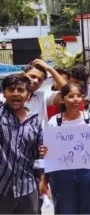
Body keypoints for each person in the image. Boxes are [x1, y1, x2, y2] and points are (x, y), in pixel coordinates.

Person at [41, 83, 90, 214]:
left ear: (84, 98)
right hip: (61, 173)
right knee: (64, 209)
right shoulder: (54, 122)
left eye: (79, 96)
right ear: (62, 99)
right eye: (71, 96)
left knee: (87, 208)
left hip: (86, 172)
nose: (76, 99)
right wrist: (45, 179)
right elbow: (48, 153)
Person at [0, 74, 43, 214]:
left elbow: (39, 157)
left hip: (28, 188)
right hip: (2, 188)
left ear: (28, 94)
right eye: (11, 89)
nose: (16, 93)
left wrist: (43, 180)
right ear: (4, 93)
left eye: (20, 90)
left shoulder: (36, 121)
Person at [0, 60, 68, 126]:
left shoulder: (43, 96)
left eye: (40, 80)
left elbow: (68, 92)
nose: (35, 81)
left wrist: (50, 69)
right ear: (23, 75)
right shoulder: (3, 98)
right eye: (33, 76)